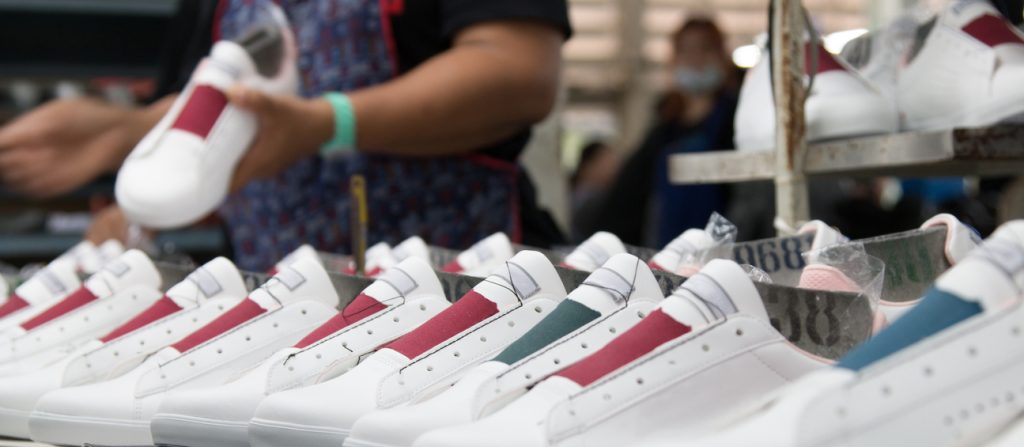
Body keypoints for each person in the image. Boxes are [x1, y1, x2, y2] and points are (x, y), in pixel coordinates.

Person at [0, 0, 571, 271]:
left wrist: (325, 124)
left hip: (473, 291)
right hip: (276, 308)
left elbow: (517, 73)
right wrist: (124, 137)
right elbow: (224, 99)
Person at [576, 16, 738, 247]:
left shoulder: (735, 120)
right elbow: (626, 194)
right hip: (668, 250)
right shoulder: (664, 129)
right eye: (686, 50)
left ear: (722, 56)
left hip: (722, 251)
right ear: (674, 59)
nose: (696, 59)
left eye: (705, 48)